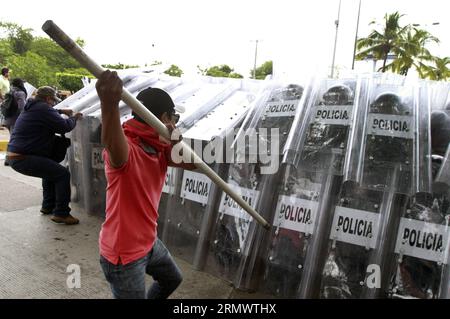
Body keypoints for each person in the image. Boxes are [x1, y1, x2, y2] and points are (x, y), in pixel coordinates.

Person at [96, 70, 195, 299]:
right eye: (174, 117)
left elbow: (194, 165)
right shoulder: (128, 146)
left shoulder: (160, 148)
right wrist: (108, 105)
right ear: (164, 118)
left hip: (149, 242)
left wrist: (176, 139)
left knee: (173, 279)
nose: (175, 122)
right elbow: (112, 143)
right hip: (124, 254)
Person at [6, 86, 82, 225]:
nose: (53, 104)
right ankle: (61, 213)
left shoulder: (31, 106)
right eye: (53, 101)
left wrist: (59, 111)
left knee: (50, 172)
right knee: (62, 174)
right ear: (48, 99)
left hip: (15, 156)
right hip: (23, 158)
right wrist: (74, 118)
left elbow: (49, 112)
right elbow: (65, 126)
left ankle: (48, 206)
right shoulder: (43, 108)